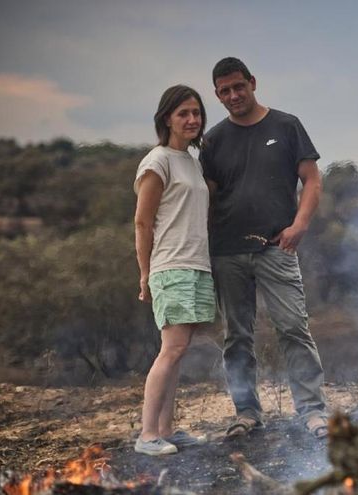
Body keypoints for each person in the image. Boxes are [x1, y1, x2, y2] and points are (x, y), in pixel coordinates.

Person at [201, 57, 329, 439]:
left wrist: (299, 225)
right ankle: (247, 413)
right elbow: (206, 198)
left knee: (293, 327)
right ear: (217, 95)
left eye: (239, 86)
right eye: (225, 91)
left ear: (252, 83)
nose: (233, 95)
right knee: (237, 335)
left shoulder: (286, 126)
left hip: (277, 247)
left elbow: (312, 180)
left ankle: (312, 411)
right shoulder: (213, 140)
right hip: (227, 251)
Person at [133, 85, 213, 456]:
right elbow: (142, 222)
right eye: (183, 113)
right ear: (167, 118)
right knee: (172, 349)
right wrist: (145, 272)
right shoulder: (157, 161)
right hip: (171, 265)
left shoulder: (192, 162)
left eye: (196, 112)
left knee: (177, 350)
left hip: (196, 264)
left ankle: (166, 429)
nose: (192, 119)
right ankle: (147, 435)